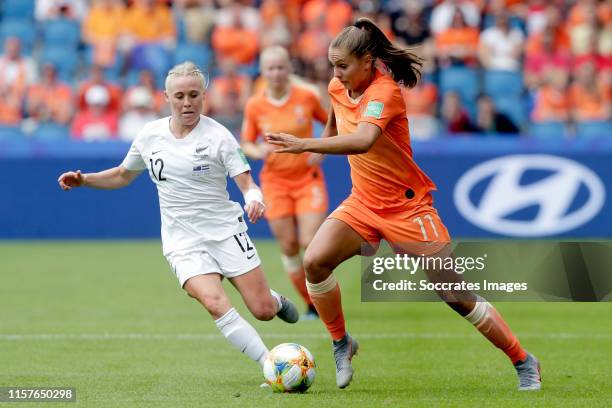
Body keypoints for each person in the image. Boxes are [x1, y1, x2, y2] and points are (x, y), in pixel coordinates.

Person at [266, 18, 541, 391]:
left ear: (367, 61)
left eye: (343, 65)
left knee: (454, 294)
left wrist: (304, 145)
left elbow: (363, 139)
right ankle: (341, 341)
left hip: (407, 208)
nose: (336, 73)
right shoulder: (337, 86)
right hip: (363, 202)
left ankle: (523, 360)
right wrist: (321, 144)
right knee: (314, 261)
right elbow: (336, 122)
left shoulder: (385, 92)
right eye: (333, 65)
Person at [58, 61, 299, 381]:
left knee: (262, 311)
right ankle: (271, 365)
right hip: (182, 240)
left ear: (204, 97)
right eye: (180, 96)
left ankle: (274, 299)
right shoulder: (150, 135)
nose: (187, 103)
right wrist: (84, 179)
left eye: (194, 95)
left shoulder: (219, 137)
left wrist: (254, 199)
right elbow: (121, 175)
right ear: (166, 97)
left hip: (225, 231)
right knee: (214, 302)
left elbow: (247, 183)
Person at [241, 46, 329, 319]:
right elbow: (245, 142)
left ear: (289, 68)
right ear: (263, 72)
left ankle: (323, 298)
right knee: (289, 246)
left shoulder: (307, 96)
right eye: (271, 68)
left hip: (307, 179)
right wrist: (258, 151)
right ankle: (312, 303)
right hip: (275, 182)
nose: (276, 73)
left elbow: (332, 123)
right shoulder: (255, 104)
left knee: (309, 242)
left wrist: (322, 148)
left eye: (281, 67)